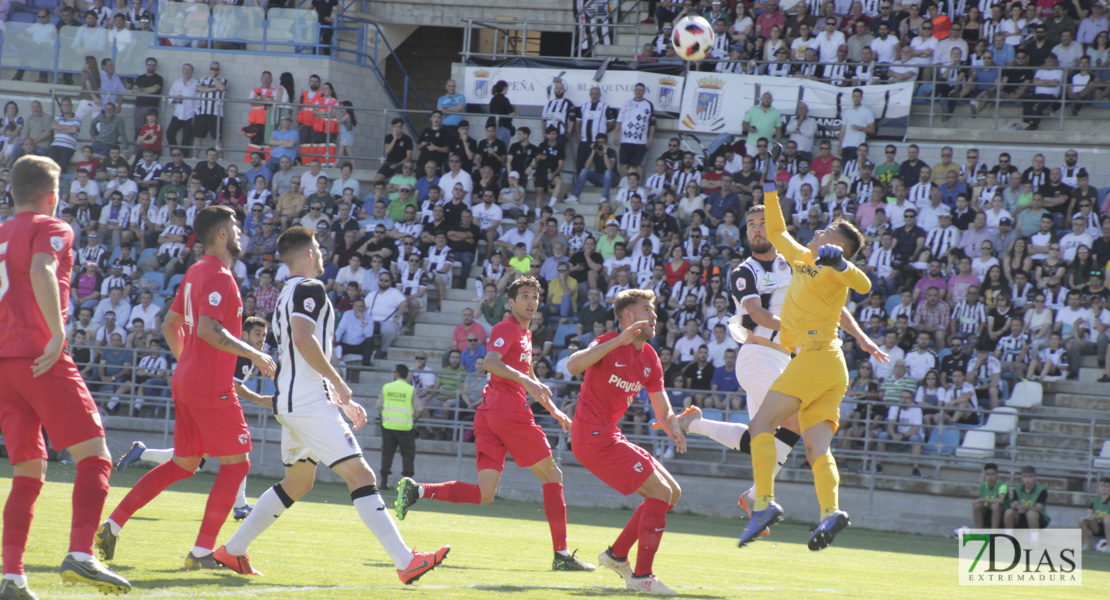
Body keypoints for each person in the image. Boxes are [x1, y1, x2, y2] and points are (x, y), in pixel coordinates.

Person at [211, 227, 449, 582]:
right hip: (307, 403)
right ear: (308, 253)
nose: (323, 253)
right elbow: (305, 340)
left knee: (298, 483)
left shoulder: (285, 292)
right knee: (362, 476)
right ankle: (405, 561)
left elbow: (300, 348)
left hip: (294, 402)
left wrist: (337, 397)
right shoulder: (310, 288)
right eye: (319, 248)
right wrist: (339, 384)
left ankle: (232, 551)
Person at [667, 204, 884, 519]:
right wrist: (804, 327)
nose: (756, 228)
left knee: (762, 436)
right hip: (759, 354)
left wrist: (862, 338)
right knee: (794, 422)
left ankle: (694, 425)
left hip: (793, 358)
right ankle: (761, 499)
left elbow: (830, 303)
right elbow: (758, 314)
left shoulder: (797, 259)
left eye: (762, 223)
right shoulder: (744, 271)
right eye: (751, 224)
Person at [95, 206, 277, 569]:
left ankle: (112, 525)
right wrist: (254, 354)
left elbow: (168, 324)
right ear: (222, 233)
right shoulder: (220, 276)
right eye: (235, 226)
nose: (240, 231)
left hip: (189, 381)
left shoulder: (194, 271)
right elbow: (209, 330)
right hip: (210, 387)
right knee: (237, 464)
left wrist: (190, 364)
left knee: (183, 463)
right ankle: (201, 552)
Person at [394, 277, 595, 573]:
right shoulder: (505, 328)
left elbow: (529, 377)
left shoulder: (526, 335)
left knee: (485, 493)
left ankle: (418, 490)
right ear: (511, 303)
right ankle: (562, 555)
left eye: (534, 297)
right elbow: (490, 362)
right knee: (553, 474)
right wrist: (526, 380)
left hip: (490, 414)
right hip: (507, 411)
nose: (531, 301)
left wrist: (552, 409)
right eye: (524, 296)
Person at [0, 156, 131, 598]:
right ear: (53, 196)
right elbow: (42, 269)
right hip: (40, 355)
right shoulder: (54, 227)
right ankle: (80, 554)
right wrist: (57, 334)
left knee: (28, 471)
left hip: (3, 363)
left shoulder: (0, 233)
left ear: (12, 192)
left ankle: (13, 575)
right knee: (96, 456)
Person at [738, 143, 869, 551]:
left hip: (815, 359)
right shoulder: (802, 258)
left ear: (838, 245)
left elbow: (864, 286)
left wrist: (842, 265)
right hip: (831, 367)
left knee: (760, 426)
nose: (818, 230)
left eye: (827, 230)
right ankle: (830, 512)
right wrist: (771, 184)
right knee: (816, 449)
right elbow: (776, 231)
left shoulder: (833, 269)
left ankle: (762, 503)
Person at [114, 317, 275, 520]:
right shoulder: (243, 354)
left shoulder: (244, 353)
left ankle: (143, 453)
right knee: (237, 452)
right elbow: (233, 385)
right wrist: (260, 400)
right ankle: (240, 506)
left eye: (264, 335)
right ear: (245, 334)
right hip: (211, 406)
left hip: (205, 402)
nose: (261, 338)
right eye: (257, 333)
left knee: (193, 461)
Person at [377, 364, 419, 491]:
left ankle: (383, 482)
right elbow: (419, 409)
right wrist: (412, 420)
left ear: (397, 374)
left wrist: (385, 417)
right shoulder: (410, 389)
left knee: (387, 453)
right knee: (407, 455)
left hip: (388, 425)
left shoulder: (387, 387)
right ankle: (407, 484)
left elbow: (379, 406)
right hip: (406, 427)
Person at [615, 83, 656, 179]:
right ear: (634, 91)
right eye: (637, 89)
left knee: (640, 164)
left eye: (641, 90)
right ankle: (622, 187)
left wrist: (650, 139)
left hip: (641, 141)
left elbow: (653, 124)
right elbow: (619, 121)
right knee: (623, 163)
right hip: (626, 140)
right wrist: (616, 135)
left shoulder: (648, 104)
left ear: (644, 92)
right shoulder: (626, 103)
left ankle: (638, 188)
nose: (639, 92)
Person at [973, 462, 1009, 529]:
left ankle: (994, 532)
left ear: (997, 475)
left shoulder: (1002, 486)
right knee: (977, 506)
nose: (990, 477)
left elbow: (1000, 500)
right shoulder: (982, 487)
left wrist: (982, 499)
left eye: (992, 474)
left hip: (1001, 513)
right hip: (988, 512)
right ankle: (979, 532)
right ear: (984, 475)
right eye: (988, 474)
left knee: (995, 505)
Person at [1080, 477, 1110, 550]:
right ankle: (1087, 544)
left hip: (1108, 525)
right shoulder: (1095, 500)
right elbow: (1089, 512)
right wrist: (1087, 516)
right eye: (1102, 486)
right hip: (1097, 527)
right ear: (1098, 488)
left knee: (1107, 519)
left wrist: (1096, 517)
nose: (1104, 488)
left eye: (1106, 486)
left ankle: (1109, 546)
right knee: (1082, 520)